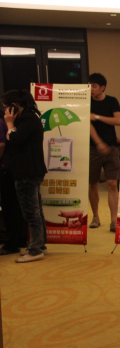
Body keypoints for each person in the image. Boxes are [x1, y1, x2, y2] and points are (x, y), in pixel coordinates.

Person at [1, 89, 47, 262]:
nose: (4, 111)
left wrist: (9, 123)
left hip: (27, 171)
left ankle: (35, 250)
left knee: (31, 213)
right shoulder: (28, 118)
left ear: (14, 106)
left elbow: (15, 139)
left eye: (6, 107)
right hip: (30, 170)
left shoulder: (28, 119)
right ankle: (40, 245)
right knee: (36, 211)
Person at [88, 73, 120, 232]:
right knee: (92, 184)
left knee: (112, 184)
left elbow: (118, 121)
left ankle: (114, 220)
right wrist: (99, 143)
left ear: (102, 87)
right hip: (93, 149)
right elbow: (88, 125)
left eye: (94, 86)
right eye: (89, 86)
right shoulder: (87, 102)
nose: (91, 89)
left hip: (112, 148)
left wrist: (97, 117)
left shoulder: (112, 101)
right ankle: (95, 216)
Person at [0, 112, 28, 255]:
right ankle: (21, 239)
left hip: (6, 169)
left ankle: (12, 243)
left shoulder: (1, 123)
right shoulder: (16, 122)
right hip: (14, 168)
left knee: (9, 207)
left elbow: (1, 145)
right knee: (16, 206)